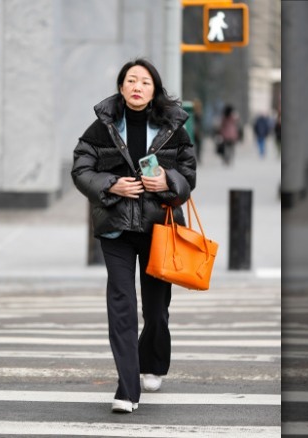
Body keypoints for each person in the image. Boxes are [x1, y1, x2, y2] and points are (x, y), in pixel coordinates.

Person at [71, 58, 196, 414]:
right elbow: (81, 168)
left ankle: (153, 361)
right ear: (121, 87)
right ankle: (127, 389)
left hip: (160, 227)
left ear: (154, 89)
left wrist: (168, 182)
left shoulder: (174, 128)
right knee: (122, 306)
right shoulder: (102, 127)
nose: (137, 86)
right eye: (130, 80)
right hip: (116, 228)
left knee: (156, 310)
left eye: (144, 81)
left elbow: (189, 174)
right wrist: (112, 185)